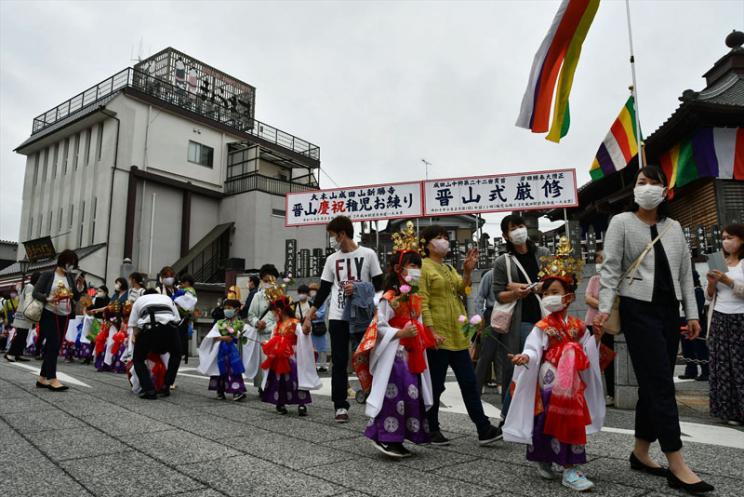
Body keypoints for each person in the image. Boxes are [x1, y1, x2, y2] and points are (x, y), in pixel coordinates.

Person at [594, 165, 713, 494]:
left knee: (651, 383)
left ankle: (640, 451)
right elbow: (610, 269)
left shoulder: (674, 227)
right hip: (636, 309)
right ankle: (677, 463)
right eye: (640, 182)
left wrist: (692, 313)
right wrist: (603, 309)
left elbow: (687, 274)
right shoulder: (620, 222)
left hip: (667, 310)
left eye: (652, 182)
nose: (645, 187)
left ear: (664, 190)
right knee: (661, 383)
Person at [505, 237, 605, 491]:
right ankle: (544, 457)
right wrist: (526, 357)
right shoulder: (543, 326)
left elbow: (586, 347)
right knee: (546, 414)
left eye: (555, 293)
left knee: (570, 417)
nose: (549, 297)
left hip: (571, 379)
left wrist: (597, 337)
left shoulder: (577, 326)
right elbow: (533, 347)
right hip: (549, 376)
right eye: (546, 293)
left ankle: (571, 468)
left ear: (568, 297)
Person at [353, 226, 435, 458]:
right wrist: (400, 334)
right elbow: (379, 327)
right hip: (394, 353)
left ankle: (399, 437)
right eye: (412, 265)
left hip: (411, 353)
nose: (416, 270)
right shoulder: (388, 298)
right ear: (399, 269)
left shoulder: (416, 299)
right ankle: (384, 436)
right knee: (393, 393)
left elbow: (417, 324)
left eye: (419, 265)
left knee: (410, 393)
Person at [418, 224, 502, 446]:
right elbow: (422, 301)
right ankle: (431, 428)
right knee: (436, 385)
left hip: (457, 334)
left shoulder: (447, 268)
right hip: (438, 336)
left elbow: (461, 288)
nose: (444, 241)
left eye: (446, 237)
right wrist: (430, 330)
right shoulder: (423, 267)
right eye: (439, 237)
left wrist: (466, 271)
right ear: (427, 244)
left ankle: (483, 428)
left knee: (468, 381)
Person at [301, 215, 384, 423]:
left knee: (370, 357)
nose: (331, 240)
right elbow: (323, 292)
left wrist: (370, 302)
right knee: (338, 360)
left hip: (363, 316)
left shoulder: (368, 255)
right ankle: (340, 406)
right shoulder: (332, 259)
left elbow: (380, 287)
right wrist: (308, 317)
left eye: (332, 235)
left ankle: (376, 400)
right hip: (338, 315)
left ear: (342, 234)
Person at [492, 214, 550, 420]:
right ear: (505, 236)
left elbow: (554, 283)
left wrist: (526, 286)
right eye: (512, 228)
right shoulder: (503, 261)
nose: (518, 230)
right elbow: (498, 293)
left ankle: (541, 412)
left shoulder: (543, 253)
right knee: (522, 365)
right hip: (521, 321)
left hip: (546, 317)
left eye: (520, 225)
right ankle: (508, 414)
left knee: (546, 365)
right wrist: (516, 292)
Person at [261, 288, 321, 416]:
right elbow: (273, 339)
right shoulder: (276, 325)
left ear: (279, 310)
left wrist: (305, 332)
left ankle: (301, 404)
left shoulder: (295, 323)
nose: (272, 314)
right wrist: (267, 344)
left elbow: (302, 335)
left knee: (297, 379)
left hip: (292, 356)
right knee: (279, 381)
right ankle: (280, 403)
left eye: (273, 311)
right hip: (279, 357)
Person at [706, 223, 744, 426]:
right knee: (722, 365)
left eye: (730, 237)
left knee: (739, 365)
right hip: (720, 316)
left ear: (741, 239)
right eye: (724, 238)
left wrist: (728, 281)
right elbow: (710, 296)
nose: (726, 241)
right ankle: (726, 410)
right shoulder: (719, 262)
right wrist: (712, 283)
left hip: (740, 318)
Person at [33, 250, 85, 391]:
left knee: (54, 345)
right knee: (54, 344)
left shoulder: (69, 277)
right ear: (63, 261)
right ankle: (52, 378)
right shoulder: (48, 275)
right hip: (49, 313)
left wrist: (80, 288)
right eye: (70, 263)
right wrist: (48, 298)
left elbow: (75, 297)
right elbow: (35, 292)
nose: (71, 266)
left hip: (65, 315)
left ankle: (42, 378)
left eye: (73, 264)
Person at [198, 298, 257, 402]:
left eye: (229, 308)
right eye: (225, 308)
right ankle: (220, 391)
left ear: (237, 310)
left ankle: (237, 392)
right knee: (220, 369)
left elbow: (248, 335)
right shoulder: (220, 323)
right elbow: (212, 335)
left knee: (234, 369)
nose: (226, 310)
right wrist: (222, 338)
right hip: (220, 349)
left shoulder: (241, 324)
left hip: (233, 349)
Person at [129, 288, 182, 399]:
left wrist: (138, 343)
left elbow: (135, 329)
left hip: (149, 329)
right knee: (176, 354)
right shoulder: (167, 298)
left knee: (138, 359)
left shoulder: (139, 300)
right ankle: (166, 386)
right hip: (171, 329)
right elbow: (177, 319)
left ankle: (149, 390)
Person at [585, 250, 615, 405]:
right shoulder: (594, 279)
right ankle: (592, 395)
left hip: (608, 325)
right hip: (592, 323)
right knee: (591, 358)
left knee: (608, 359)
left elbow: (615, 301)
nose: (600, 262)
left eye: (603, 259)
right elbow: (587, 298)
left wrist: (601, 305)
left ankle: (610, 393)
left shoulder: (614, 280)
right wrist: (604, 305)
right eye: (598, 259)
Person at [248, 264, 282, 391]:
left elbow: (286, 315)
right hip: (262, 336)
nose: (268, 283)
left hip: (277, 335)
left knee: (276, 362)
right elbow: (251, 315)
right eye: (266, 281)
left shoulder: (281, 296)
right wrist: (257, 322)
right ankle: (263, 387)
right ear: (262, 281)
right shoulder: (258, 296)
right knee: (263, 362)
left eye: (271, 280)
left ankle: (275, 386)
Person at [678, 270, 710, 382]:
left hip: (696, 323)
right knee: (687, 348)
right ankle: (691, 371)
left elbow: (698, 309)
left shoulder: (697, 291)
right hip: (683, 320)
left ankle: (706, 371)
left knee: (699, 348)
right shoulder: (686, 291)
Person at [474, 268, 500, 393]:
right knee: (486, 352)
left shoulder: (513, 273)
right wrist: (480, 318)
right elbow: (479, 298)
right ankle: (478, 387)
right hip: (491, 313)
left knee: (506, 353)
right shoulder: (490, 275)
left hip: (510, 313)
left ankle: (503, 385)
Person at [5, 272, 41, 362]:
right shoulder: (30, 287)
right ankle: (11, 353)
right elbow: (29, 300)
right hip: (25, 314)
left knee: (23, 335)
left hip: (23, 314)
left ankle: (17, 353)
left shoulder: (29, 286)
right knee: (20, 335)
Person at [173, 274, 197, 364]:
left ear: (187, 282)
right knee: (183, 335)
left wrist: (178, 290)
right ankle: (184, 354)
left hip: (183, 315)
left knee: (180, 335)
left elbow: (179, 298)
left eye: (182, 283)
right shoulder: (192, 290)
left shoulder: (188, 290)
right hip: (186, 316)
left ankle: (182, 353)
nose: (181, 285)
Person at [308, 282, 329, 372]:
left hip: (319, 325)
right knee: (312, 347)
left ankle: (323, 365)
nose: (312, 292)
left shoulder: (321, 301)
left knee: (322, 347)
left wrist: (312, 315)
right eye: (311, 290)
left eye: (314, 290)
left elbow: (321, 313)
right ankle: (314, 365)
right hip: (311, 326)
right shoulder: (308, 301)